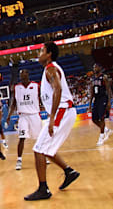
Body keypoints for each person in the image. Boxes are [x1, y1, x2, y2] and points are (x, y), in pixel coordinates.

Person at [25, 42, 80, 201]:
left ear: (49, 54)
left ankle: (43, 189)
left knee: (39, 150)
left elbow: (58, 89)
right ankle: (69, 172)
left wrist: (52, 118)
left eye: (41, 50)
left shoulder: (50, 69)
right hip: (65, 111)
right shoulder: (49, 69)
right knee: (47, 150)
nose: (39, 53)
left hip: (62, 111)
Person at [6, 69, 42, 170]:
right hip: (23, 116)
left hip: (34, 114)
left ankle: (43, 155)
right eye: (20, 74)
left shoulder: (36, 85)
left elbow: (42, 98)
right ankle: (19, 159)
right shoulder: (17, 87)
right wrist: (8, 115)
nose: (21, 75)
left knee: (39, 138)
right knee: (21, 138)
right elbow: (13, 103)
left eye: (23, 73)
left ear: (28, 74)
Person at [88, 64, 113, 146]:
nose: (94, 68)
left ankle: (101, 137)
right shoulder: (93, 79)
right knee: (94, 119)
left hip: (103, 98)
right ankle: (106, 130)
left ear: (99, 68)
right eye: (93, 67)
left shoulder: (104, 77)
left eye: (96, 67)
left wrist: (109, 101)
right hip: (96, 100)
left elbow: (108, 90)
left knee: (101, 118)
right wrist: (90, 105)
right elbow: (91, 93)